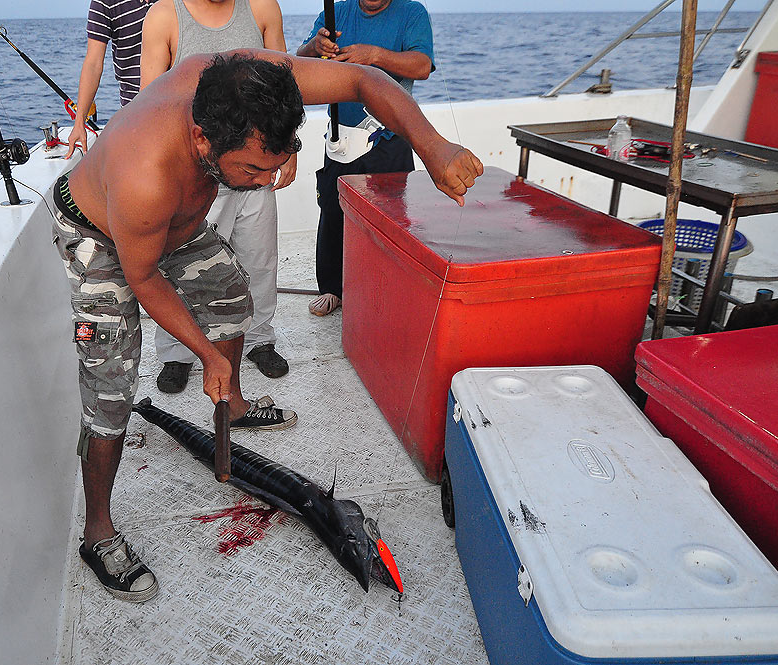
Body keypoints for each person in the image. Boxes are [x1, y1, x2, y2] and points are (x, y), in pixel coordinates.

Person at [51, 50, 482, 602]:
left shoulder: (249, 83)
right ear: (202, 139)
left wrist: (433, 146)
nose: (269, 180)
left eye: (278, 163)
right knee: (110, 394)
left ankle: (230, 405)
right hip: (102, 235)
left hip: (173, 222)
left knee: (232, 293)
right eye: (254, 170)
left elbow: (364, 78)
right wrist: (206, 354)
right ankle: (98, 533)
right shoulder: (145, 176)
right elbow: (145, 278)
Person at [139, 0, 295, 393]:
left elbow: (286, 88)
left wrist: (289, 150)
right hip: (198, 174)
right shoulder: (163, 16)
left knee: (259, 259)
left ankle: (260, 338)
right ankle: (176, 353)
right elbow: (148, 103)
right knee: (183, 266)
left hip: (256, 167)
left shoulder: (262, 8)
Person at [297, 0, 435, 316]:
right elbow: (299, 62)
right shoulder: (334, 14)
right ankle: (332, 287)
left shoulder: (412, 13)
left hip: (390, 136)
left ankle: (390, 285)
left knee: (391, 216)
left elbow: (422, 65)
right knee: (332, 208)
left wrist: (372, 56)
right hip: (339, 134)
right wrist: (314, 47)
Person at [64, 0, 155, 158]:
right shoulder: (103, 3)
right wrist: (79, 122)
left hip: (178, 105)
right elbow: (93, 64)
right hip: (133, 109)